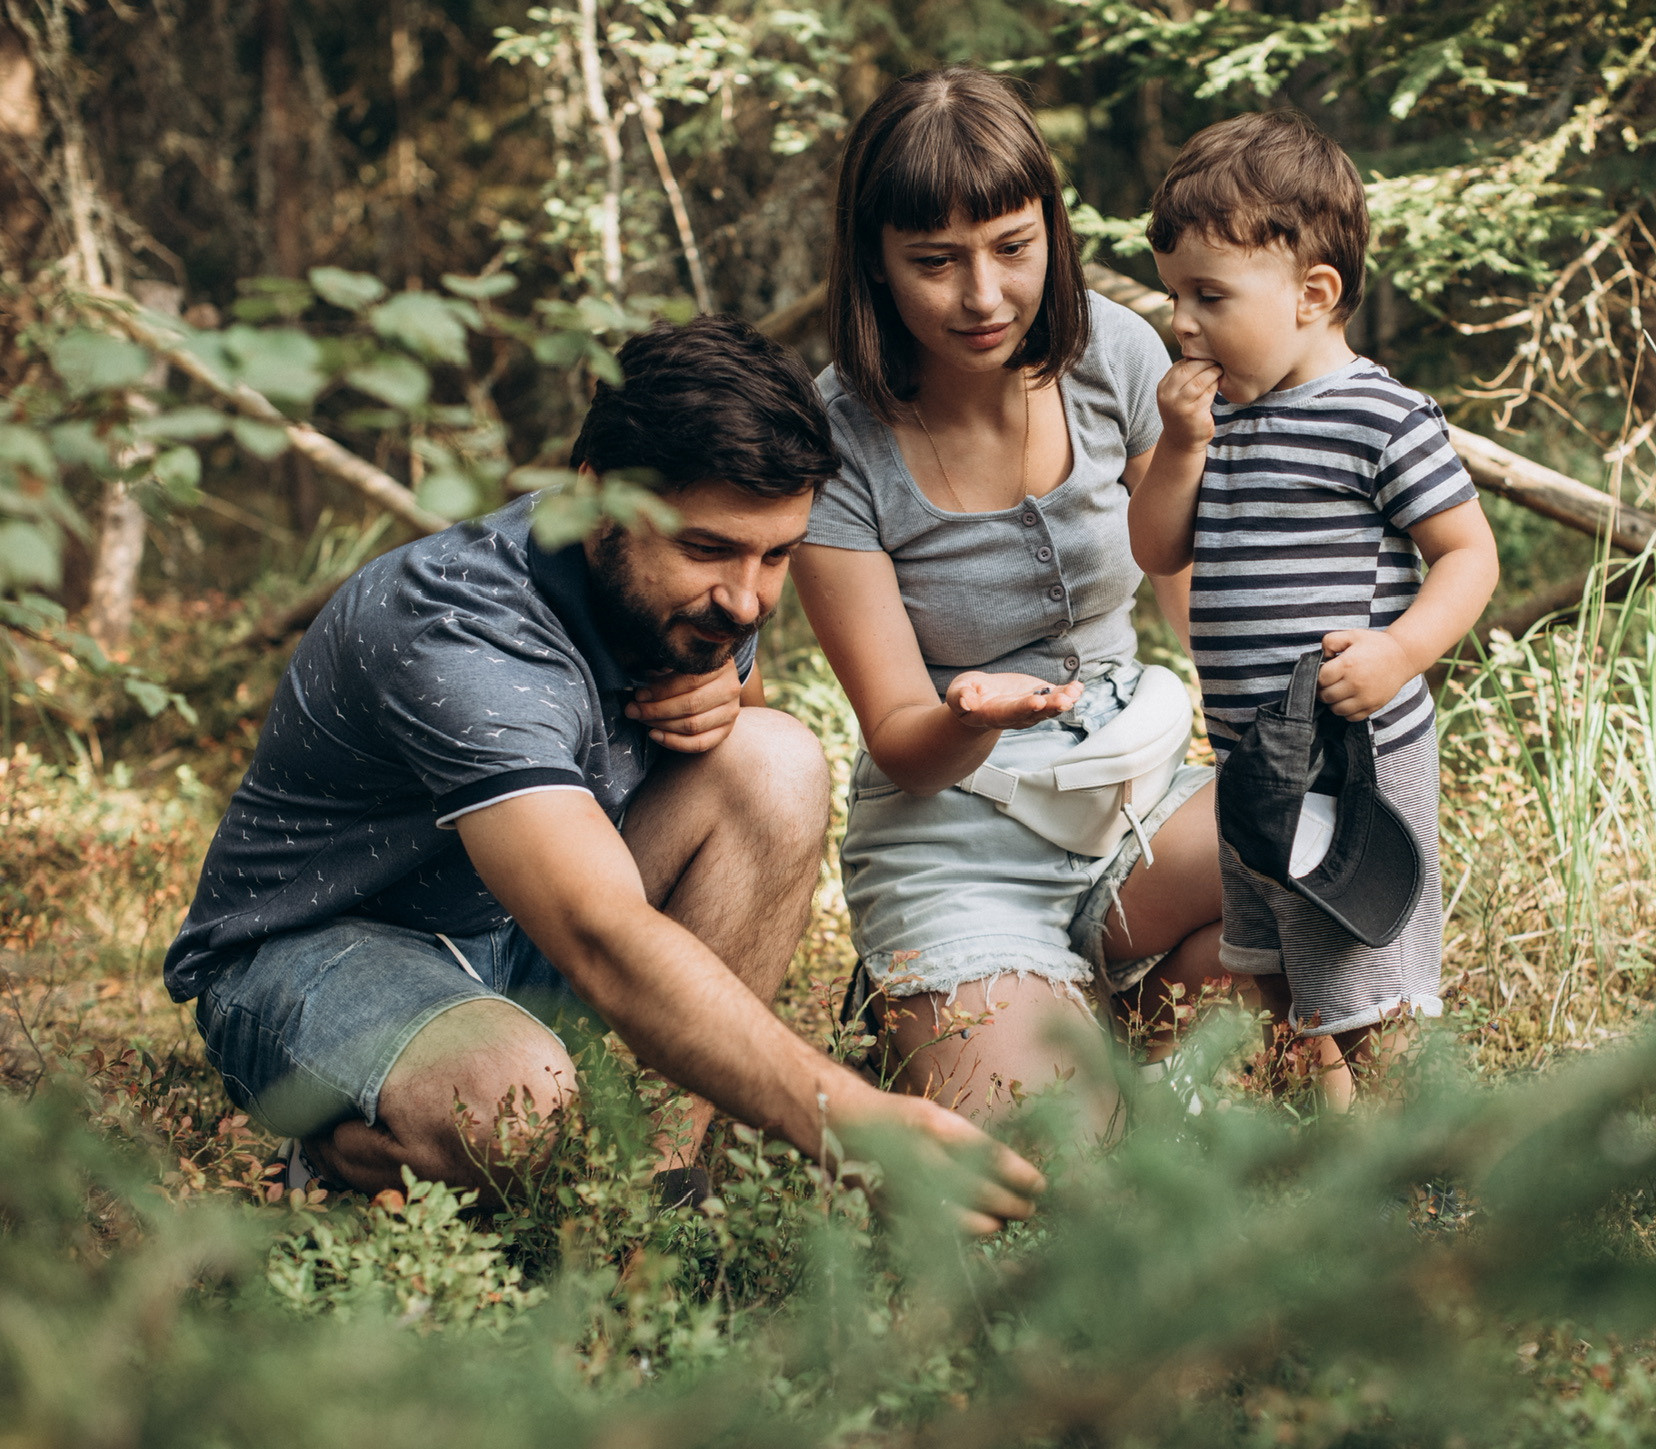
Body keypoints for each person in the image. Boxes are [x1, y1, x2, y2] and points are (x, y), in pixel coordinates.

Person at [163, 315, 1041, 1231]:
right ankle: (338, 1151)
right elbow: (598, 931)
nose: (747, 599)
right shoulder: (460, 628)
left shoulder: (680, 600)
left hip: (512, 927)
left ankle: (653, 1191)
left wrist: (728, 697)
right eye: (707, 549)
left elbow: (745, 698)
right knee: (517, 1102)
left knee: (774, 759)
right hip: (320, 949)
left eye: (776, 554)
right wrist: (843, 1116)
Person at [789, 66, 1226, 1125]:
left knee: (1330, 857)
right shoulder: (833, 439)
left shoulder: (1114, 354)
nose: (983, 298)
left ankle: (1106, 1002)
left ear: (1051, 234)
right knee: (1052, 1149)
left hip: (1138, 795)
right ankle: (964, 997)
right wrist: (969, 716)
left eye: (1012, 248)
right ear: (874, 266)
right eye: (934, 263)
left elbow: (1186, 587)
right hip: (958, 833)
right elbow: (899, 735)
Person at [1127, 111, 1500, 1102]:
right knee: (1278, 970)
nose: (1182, 323)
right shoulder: (1219, 420)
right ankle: (1338, 1146)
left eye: (1209, 296)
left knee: (1361, 976)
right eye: (1174, 297)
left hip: (1352, 755)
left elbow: (1467, 553)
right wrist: (1177, 447)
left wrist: (1401, 651)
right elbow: (1157, 546)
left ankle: (1429, 1170)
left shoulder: (1378, 415)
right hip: (1253, 758)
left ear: (1312, 295)